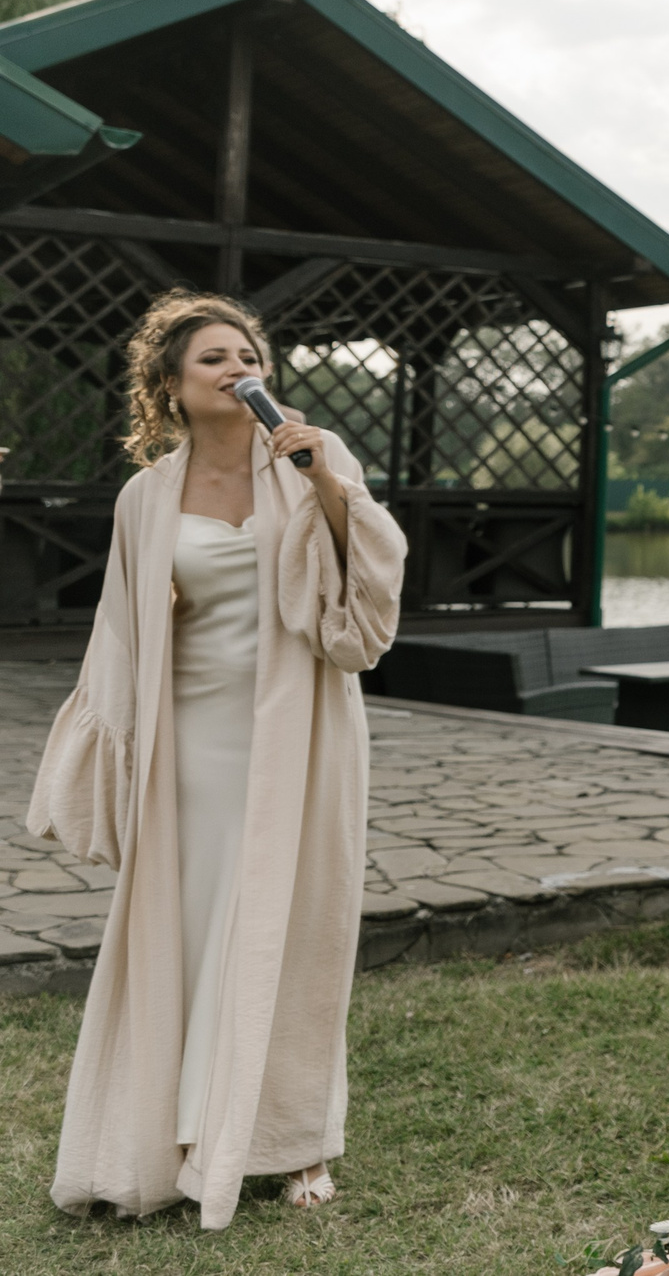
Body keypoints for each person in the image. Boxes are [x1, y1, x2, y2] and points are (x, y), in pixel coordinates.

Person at [25, 290, 406, 1228]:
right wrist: (113, 754)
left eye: (249, 355)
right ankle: (176, 1134)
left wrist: (323, 480)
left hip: (302, 727)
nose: (239, 369)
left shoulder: (316, 455)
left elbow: (364, 600)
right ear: (170, 384)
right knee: (192, 926)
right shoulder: (146, 496)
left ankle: (297, 1140)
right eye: (215, 358)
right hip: (189, 738)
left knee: (295, 926)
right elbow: (122, 629)